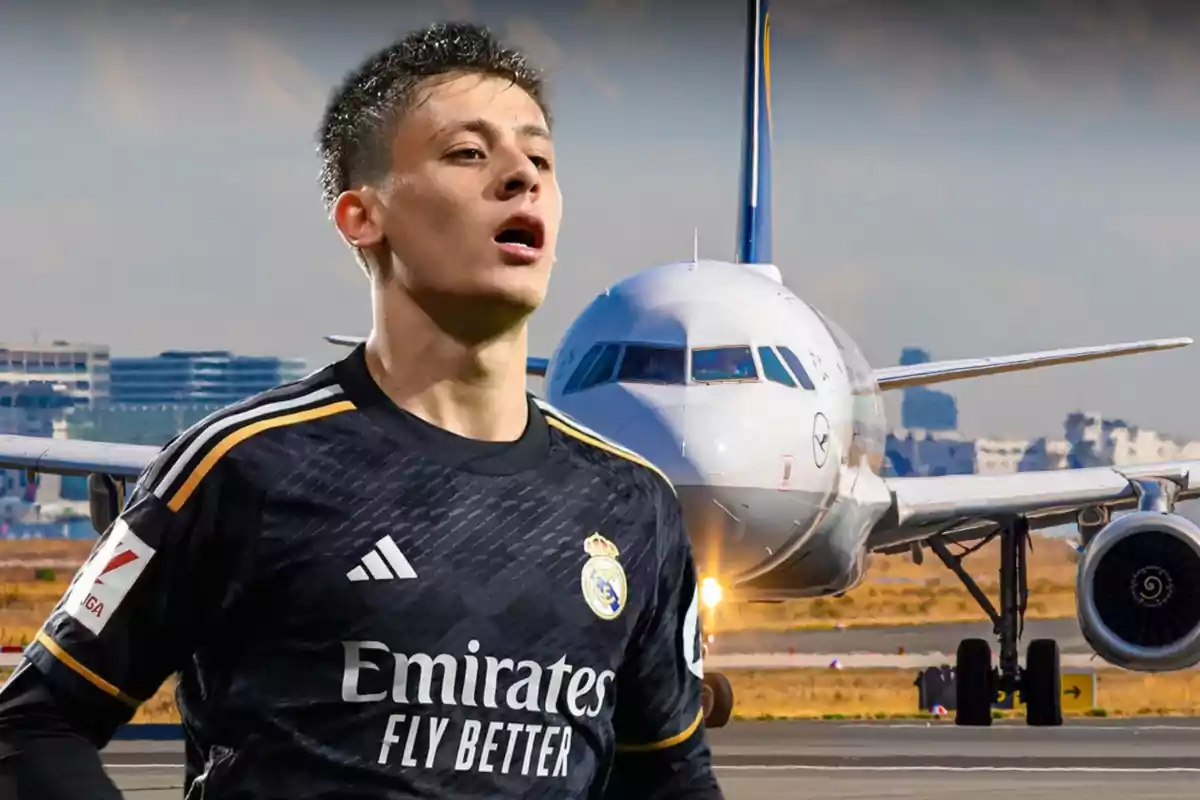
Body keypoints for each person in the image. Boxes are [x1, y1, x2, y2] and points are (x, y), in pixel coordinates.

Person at [0, 21, 724, 800]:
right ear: (362, 216)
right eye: (469, 153)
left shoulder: (632, 504)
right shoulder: (244, 467)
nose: (522, 176)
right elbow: (30, 729)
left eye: (540, 157)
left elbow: (670, 777)